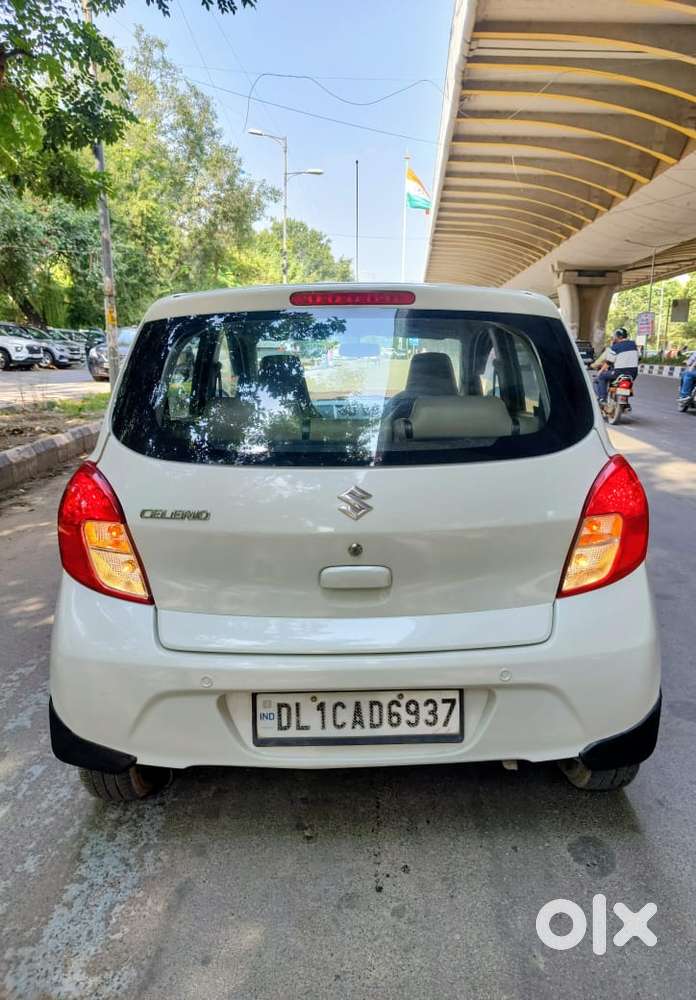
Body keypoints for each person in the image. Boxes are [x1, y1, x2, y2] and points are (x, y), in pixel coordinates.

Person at [595, 327, 640, 403]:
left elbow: (608, 362)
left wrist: (600, 371)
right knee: (627, 381)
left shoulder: (615, 347)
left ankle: (602, 399)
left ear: (618, 336)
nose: (613, 337)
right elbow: (639, 358)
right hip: (633, 373)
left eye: (614, 336)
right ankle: (625, 400)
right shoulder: (633, 345)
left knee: (601, 377)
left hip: (619, 372)